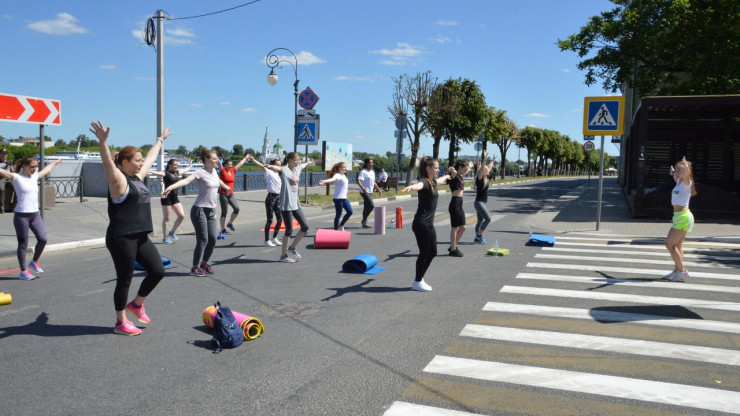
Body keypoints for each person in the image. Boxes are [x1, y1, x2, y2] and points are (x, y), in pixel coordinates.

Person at [90, 120, 170, 336]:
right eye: (136, 161)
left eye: (140, 161)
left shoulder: (138, 178)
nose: (141, 163)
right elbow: (108, 164)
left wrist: (160, 140)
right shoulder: (118, 181)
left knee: (157, 271)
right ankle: (120, 322)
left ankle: (136, 305)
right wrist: (103, 142)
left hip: (140, 235)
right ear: (124, 162)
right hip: (121, 237)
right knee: (124, 278)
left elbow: (152, 157)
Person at [162, 147, 231, 277]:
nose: (217, 160)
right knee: (203, 239)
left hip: (211, 211)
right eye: (215, 158)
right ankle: (195, 267)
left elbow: (218, 180)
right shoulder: (200, 172)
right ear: (207, 159)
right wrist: (171, 187)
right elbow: (186, 180)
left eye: (217, 158)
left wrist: (225, 186)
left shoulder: (214, 172)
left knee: (212, 239)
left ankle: (204, 263)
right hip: (199, 210)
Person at [0, 156, 62, 280]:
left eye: (36, 166)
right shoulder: (17, 177)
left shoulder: (34, 177)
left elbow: (46, 170)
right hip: (21, 215)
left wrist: (55, 162)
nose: (34, 169)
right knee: (23, 244)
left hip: (35, 214)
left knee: (43, 238)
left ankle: (34, 261)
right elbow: (3, 172)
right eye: (32, 167)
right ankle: (23, 271)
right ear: (24, 166)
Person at [249, 152, 312, 263]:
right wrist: (269, 166)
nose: (298, 162)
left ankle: (292, 247)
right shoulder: (284, 170)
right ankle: (283, 256)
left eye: (298, 160)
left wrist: (308, 162)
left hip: (296, 204)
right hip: (286, 204)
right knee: (289, 230)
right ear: (290, 160)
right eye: (296, 160)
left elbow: (302, 166)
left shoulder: (297, 169)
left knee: (305, 226)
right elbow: (276, 167)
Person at [402, 157, 451, 292]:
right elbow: (419, 186)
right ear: (428, 168)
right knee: (424, 252)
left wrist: (447, 175)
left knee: (433, 251)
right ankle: (417, 281)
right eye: (436, 168)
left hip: (428, 223)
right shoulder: (424, 181)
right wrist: (412, 187)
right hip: (421, 223)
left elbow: (440, 181)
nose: (438, 170)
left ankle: (420, 278)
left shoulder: (433, 181)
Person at [664, 156, 697, 282]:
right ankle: (677, 271)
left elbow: (687, 174)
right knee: (677, 246)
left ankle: (682, 270)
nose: (677, 173)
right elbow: (676, 177)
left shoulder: (687, 183)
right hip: (680, 217)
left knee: (669, 244)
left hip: (683, 217)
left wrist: (685, 165)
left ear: (686, 173)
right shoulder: (679, 183)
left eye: (679, 171)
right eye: (676, 170)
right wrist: (673, 172)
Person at [149, 159, 191, 244]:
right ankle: (165, 237)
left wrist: (190, 167)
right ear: (169, 165)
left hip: (174, 197)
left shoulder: (177, 173)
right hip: (166, 197)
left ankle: (172, 232)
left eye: (177, 165)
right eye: (175, 165)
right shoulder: (165, 173)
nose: (176, 166)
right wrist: (148, 170)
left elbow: (185, 171)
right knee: (166, 218)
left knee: (181, 215)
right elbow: (155, 173)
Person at [248, 156, 284, 247]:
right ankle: (266, 241)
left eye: (280, 165)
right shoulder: (269, 172)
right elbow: (261, 166)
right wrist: (253, 160)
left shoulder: (279, 174)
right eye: (278, 165)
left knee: (280, 219)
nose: (279, 167)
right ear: (273, 165)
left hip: (277, 198)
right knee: (270, 219)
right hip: (270, 198)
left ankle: (274, 238)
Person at [217, 156, 248, 239]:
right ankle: (223, 229)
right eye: (229, 164)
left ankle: (230, 223)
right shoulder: (222, 171)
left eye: (231, 164)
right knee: (224, 212)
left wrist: (246, 157)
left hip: (231, 194)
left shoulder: (232, 171)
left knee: (237, 208)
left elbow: (240, 164)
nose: (231, 166)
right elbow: (220, 165)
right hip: (223, 194)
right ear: (225, 165)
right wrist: (218, 160)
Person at [319, 162, 353, 230]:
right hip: (338, 198)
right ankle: (335, 230)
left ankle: (341, 225)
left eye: (345, 167)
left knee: (350, 212)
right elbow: (332, 179)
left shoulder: (344, 175)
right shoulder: (337, 175)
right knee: (338, 215)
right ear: (339, 168)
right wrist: (324, 181)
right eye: (343, 167)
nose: (345, 168)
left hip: (344, 198)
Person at [447, 158, 470, 257]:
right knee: (455, 228)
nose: (466, 172)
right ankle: (453, 249)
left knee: (463, 227)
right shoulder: (455, 175)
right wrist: (453, 170)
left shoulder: (460, 176)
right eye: (465, 170)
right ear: (460, 168)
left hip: (460, 204)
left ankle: (453, 246)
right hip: (455, 203)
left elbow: (460, 172)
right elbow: (453, 172)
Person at [473, 151, 496, 244]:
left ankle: (476, 236)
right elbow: (483, 168)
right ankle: (479, 236)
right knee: (488, 219)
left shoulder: (485, 178)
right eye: (486, 172)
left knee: (480, 220)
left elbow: (489, 167)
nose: (488, 173)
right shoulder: (479, 179)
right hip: (479, 203)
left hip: (480, 202)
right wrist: (484, 159)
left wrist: (493, 159)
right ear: (482, 172)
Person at [357, 158, 382, 229]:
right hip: (364, 192)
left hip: (370, 191)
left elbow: (374, 182)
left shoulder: (372, 172)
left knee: (366, 207)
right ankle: (364, 221)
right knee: (371, 205)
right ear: (367, 164)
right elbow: (359, 180)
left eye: (372, 163)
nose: (372, 164)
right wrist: (363, 188)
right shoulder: (363, 172)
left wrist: (379, 190)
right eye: (371, 163)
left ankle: (364, 223)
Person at [0, 148, 14, 214]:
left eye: (5, 154)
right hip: (1, 178)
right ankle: (2, 208)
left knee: (17, 187)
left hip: (8, 178)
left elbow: (12, 170)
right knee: (1, 189)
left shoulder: (9, 162)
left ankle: (15, 206)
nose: (4, 155)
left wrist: (13, 169)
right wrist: (3, 171)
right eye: (3, 154)